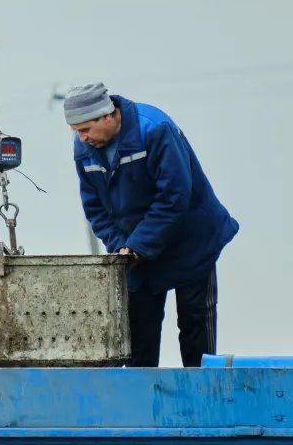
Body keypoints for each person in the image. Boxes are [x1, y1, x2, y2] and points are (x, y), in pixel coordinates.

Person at [65, 82, 239, 367]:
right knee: (138, 336)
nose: (81, 138)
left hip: (190, 240)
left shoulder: (155, 129)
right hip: (135, 251)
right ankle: (140, 405)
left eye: (85, 130)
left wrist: (137, 245)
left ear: (106, 116)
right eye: (76, 132)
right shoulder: (83, 149)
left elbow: (174, 196)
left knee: (196, 329)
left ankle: (201, 398)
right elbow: (95, 208)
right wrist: (123, 246)